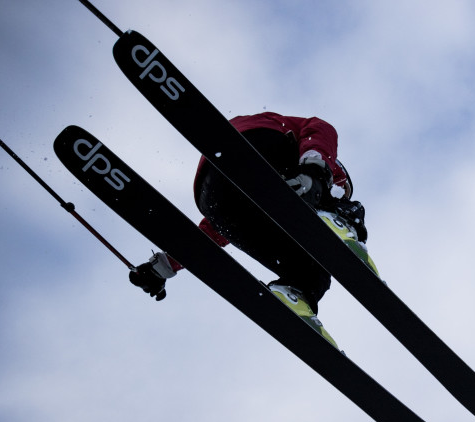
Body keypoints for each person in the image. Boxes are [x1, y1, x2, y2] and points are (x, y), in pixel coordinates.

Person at [128, 112, 367, 346]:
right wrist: (317, 171)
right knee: (346, 208)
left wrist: (166, 265)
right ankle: (340, 227)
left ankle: (294, 295)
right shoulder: (324, 164)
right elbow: (321, 126)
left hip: (215, 193)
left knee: (313, 269)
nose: (340, 194)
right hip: (261, 147)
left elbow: (211, 234)